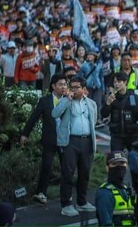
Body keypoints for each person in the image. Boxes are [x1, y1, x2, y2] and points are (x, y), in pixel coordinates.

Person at [52, 76, 98, 217]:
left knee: (84, 173)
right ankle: (66, 205)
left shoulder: (91, 103)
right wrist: (67, 100)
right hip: (70, 141)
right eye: (71, 87)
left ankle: (82, 202)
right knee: (68, 173)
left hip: (87, 141)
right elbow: (55, 114)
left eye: (77, 87)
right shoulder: (66, 101)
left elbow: (94, 121)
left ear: (84, 89)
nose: (73, 90)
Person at [20, 73, 67, 205]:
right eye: (60, 84)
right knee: (46, 166)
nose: (63, 87)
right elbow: (34, 118)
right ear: (53, 86)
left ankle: (66, 194)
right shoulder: (45, 101)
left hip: (65, 140)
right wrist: (25, 134)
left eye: (65, 84)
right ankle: (41, 193)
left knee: (66, 168)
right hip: (50, 139)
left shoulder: (68, 100)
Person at [101, 71, 138, 151]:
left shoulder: (135, 98)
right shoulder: (112, 98)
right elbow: (103, 114)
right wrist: (108, 103)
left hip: (133, 135)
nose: (116, 84)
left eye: (119, 82)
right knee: (116, 160)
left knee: (135, 159)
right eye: (115, 82)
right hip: (116, 135)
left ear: (125, 82)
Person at [95, 151, 135, 226]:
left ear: (126, 166)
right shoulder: (105, 193)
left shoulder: (127, 190)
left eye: (122, 163)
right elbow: (106, 223)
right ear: (107, 168)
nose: (119, 167)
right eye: (114, 164)